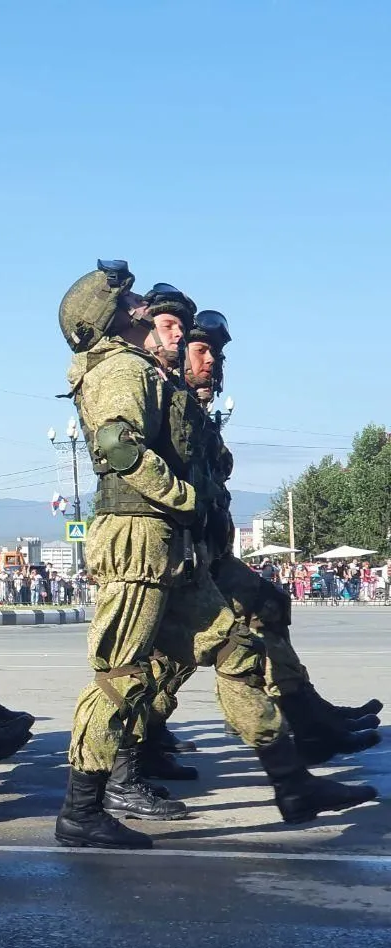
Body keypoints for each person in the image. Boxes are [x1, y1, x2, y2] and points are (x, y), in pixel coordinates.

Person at [54, 262, 374, 850]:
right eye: (129, 307)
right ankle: (81, 809)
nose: (143, 313)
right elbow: (116, 445)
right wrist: (185, 497)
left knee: (237, 647)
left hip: (168, 544)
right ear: (104, 319)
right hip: (138, 540)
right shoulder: (120, 369)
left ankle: (292, 781)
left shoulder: (143, 369)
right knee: (121, 677)